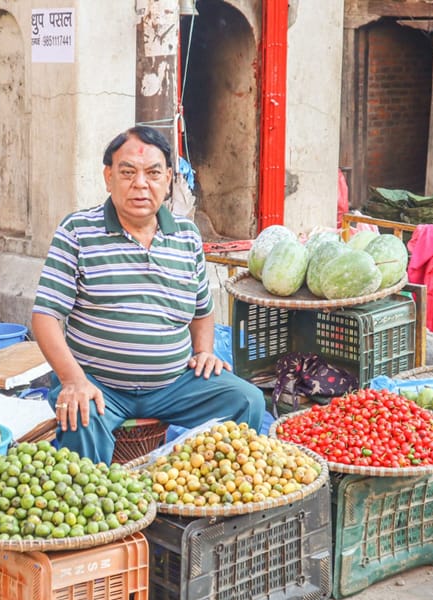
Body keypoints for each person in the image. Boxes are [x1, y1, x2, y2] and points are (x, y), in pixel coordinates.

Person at [32, 126, 268, 465]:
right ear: (108, 177)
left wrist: (203, 352)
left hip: (174, 385)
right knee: (79, 419)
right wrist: (73, 380)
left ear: (169, 178)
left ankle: (209, 494)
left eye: (153, 173)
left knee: (247, 400)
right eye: (127, 172)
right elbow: (45, 317)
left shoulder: (187, 236)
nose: (141, 184)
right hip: (100, 384)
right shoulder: (78, 231)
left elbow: (202, 310)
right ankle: (97, 509)